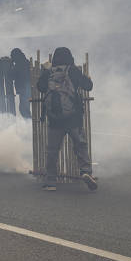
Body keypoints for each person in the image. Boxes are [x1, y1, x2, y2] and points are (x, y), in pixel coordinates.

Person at [36, 47, 96, 191]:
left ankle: (50, 181)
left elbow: (40, 88)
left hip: (54, 119)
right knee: (80, 145)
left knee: (52, 150)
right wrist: (88, 78)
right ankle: (85, 172)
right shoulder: (73, 70)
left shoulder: (50, 72)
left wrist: (45, 71)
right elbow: (88, 87)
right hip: (73, 117)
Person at [10, 48, 32, 119]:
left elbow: (12, 76)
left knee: (24, 109)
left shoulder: (19, 64)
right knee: (24, 109)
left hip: (25, 89)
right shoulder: (25, 62)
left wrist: (11, 66)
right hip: (26, 88)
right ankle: (29, 124)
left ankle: (29, 124)